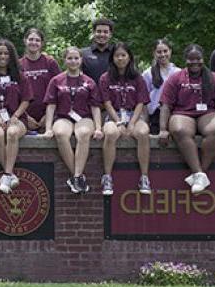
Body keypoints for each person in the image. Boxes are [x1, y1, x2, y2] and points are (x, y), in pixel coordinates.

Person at [159, 44, 215, 193]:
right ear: (185, 60)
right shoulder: (176, 78)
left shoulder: (214, 78)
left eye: (198, 59)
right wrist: (163, 129)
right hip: (183, 112)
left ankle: (199, 175)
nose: (195, 62)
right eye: (191, 59)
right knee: (179, 130)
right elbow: (166, 105)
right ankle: (200, 174)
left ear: (203, 59)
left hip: (207, 112)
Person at [43, 47, 103, 193]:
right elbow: (51, 106)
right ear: (64, 60)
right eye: (70, 58)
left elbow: (95, 107)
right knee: (61, 134)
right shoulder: (56, 80)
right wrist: (48, 128)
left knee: (83, 134)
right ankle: (78, 176)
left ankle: (75, 177)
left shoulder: (89, 82)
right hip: (63, 117)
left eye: (76, 58)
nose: (73, 61)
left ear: (81, 60)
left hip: (84, 117)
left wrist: (98, 128)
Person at [99, 43, 151, 195]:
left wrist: (132, 123)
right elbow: (106, 103)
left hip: (134, 114)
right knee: (110, 133)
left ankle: (144, 177)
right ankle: (107, 177)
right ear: (112, 58)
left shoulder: (138, 77)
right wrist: (119, 122)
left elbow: (141, 102)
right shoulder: (105, 78)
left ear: (129, 57)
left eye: (123, 55)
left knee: (143, 133)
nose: (120, 58)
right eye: (117, 55)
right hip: (113, 114)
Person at [0, 39, 33, 194]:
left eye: (6, 53)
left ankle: (6, 174)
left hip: (17, 118)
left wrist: (15, 116)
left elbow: (26, 100)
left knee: (12, 133)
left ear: (11, 56)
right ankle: (10, 174)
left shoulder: (20, 77)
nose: (2, 56)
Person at [20, 28, 60, 133]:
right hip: (25, 117)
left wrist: (48, 116)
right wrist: (25, 117)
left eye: (37, 40)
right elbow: (14, 94)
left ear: (42, 43)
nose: (34, 42)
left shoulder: (50, 62)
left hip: (48, 115)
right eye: (31, 39)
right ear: (25, 40)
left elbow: (59, 90)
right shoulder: (18, 65)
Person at [142, 39, 181, 134]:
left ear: (170, 51)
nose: (163, 54)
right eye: (159, 52)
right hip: (155, 116)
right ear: (154, 53)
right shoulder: (147, 74)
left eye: (165, 51)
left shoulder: (179, 72)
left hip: (175, 113)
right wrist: (145, 122)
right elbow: (144, 101)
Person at [80, 18, 115, 84]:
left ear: (110, 34)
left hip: (111, 93)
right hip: (89, 93)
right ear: (93, 33)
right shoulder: (83, 54)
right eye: (99, 31)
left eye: (105, 32)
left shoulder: (116, 54)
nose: (102, 35)